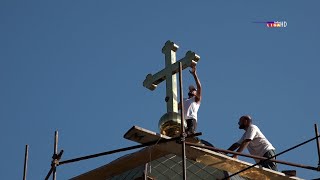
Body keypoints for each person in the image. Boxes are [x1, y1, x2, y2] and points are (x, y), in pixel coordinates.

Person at [179, 65, 202, 135]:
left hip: (191, 121)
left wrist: (194, 74)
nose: (191, 90)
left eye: (193, 90)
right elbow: (175, 107)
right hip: (182, 122)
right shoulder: (183, 100)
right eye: (190, 90)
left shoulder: (196, 99)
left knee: (188, 134)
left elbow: (199, 86)